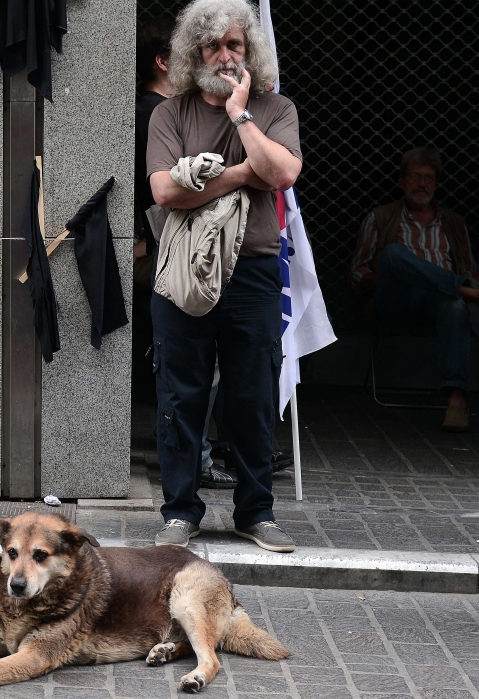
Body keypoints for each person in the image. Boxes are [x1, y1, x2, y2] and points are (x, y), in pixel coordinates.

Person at [147, 0, 302, 552]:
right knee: (181, 393)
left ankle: (255, 512)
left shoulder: (274, 107)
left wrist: (241, 116)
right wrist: (242, 174)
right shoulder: (170, 114)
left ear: (250, 51)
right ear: (195, 53)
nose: (224, 55)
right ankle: (179, 512)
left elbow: (282, 172)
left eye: (234, 45)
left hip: (255, 270)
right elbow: (165, 191)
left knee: (252, 394)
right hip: (184, 273)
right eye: (213, 45)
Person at [351, 147, 479, 433]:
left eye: (429, 178)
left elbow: (471, 273)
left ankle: (456, 401)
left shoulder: (454, 222)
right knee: (393, 254)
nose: (422, 184)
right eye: (415, 176)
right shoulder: (380, 217)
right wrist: (399, 276)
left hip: (439, 303)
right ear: (402, 181)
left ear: (436, 183)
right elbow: (357, 273)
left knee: (453, 305)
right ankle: (468, 294)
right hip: (396, 298)